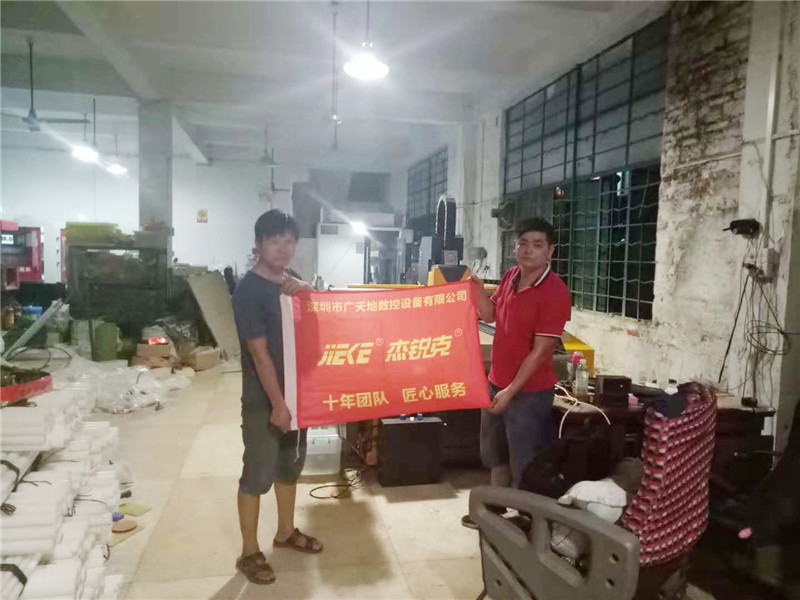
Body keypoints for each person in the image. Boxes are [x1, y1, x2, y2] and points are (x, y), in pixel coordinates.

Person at [232, 209, 322, 585]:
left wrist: (307, 290)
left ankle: (285, 532)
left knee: (289, 467)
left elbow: (314, 324)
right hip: (264, 401)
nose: (283, 248)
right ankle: (249, 552)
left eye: (289, 241)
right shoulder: (248, 290)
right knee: (257, 473)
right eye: (274, 241)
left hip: (297, 394)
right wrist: (278, 404)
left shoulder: (292, 280)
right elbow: (259, 353)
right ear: (258, 244)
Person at [462, 217, 571, 529]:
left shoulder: (555, 291)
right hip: (495, 383)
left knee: (525, 459)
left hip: (529, 393)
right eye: (523, 243)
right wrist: (477, 292)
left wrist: (511, 390)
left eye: (537, 245)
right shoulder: (511, 276)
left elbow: (542, 351)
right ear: (514, 247)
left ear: (550, 250)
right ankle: (495, 511)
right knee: (494, 452)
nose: (528, 250)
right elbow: (490, 315)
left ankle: (528, 522)